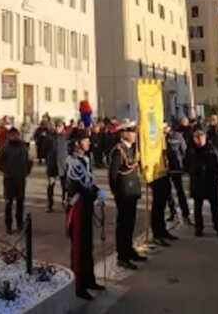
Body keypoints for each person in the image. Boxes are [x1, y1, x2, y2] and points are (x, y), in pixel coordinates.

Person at [65, 130, 106, 300]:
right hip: (78, 206)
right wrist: (95, 193)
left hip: (86, 204)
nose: (89, 142)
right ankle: (78, 285)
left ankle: (89, 279)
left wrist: (98, 192)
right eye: (85, 140)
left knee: (88, 245)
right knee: (79, 247)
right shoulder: (72, 161)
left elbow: (89, 181)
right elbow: (79, 185)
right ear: (77, 143)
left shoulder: (84, 159)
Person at [108, 119, 145, 269]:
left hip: (132, 192)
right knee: (123, 225)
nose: (134, 134)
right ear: (123, 134)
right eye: (131, 131)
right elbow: (113, 175)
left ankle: (129, 250)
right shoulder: (119, 150)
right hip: (123, 193)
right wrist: (116, 193)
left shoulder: (131, 149)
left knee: (130, 224)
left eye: (134, 131)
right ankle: (122, 256)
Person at [186, 129, 218, 237]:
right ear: (194, 139)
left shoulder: (212, 149)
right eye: (197, 138)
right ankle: (198, 228)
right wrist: (194, 170)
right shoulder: (191, 151)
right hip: (197, 182)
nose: (199, 140)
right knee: (198, 207)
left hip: (211, 181)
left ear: (205, 138)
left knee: (215, 208)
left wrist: (212, 169)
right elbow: (187, 164)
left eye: (201, 138)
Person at [0, 127, 32, 233]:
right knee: (9, 203)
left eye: (16, 135)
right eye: (12, 135)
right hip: (9, 179)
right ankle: (8, 226)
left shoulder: (23, 147)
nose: (14, 137)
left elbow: (29, 161)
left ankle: (20, 225)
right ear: (9, 136)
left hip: (20, 179)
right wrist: (7, 170)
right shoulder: (5, 148)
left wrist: (26, 172)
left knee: (20, 203)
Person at [164, 124, 191, 222]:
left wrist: (184, 166)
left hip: (176, 168)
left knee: (180, 191)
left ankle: (186, 214)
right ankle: (173, 212)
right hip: (164, 169)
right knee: (168, 193)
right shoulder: (158, 137)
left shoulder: (176, 136)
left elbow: (184, 151)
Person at [45, 121, 69, 211]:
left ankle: (65, 202)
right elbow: (45, 149)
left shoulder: (66, 138)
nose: (58, 128)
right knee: (51, 184)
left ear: (63, 127)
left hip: (63, 165)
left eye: (60, 126)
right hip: (52, 164)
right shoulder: (50, 137)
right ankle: (50, 204)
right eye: (57, 126)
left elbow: (69, 150)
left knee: (65, 185)